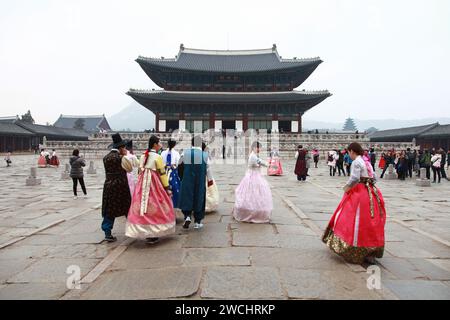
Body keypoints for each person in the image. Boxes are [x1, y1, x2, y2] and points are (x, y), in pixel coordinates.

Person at [322, 142, 386, 264]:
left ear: (352, 151)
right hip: (370, 192)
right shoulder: (366, 161)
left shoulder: (356, 162)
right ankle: (371, 249)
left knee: (350, 217)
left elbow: (354, 178)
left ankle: (352, 247)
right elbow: (374, 177)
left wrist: (346, 187)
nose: (349, 155)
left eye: (349, 152)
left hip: (359, 192)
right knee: (370, 220)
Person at [125, 135, 176, 244]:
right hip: (154, 184)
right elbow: (162, 174)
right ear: (155, 145)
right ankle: (154, 231)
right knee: (157, 205)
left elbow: (139, 171)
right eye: (159, 143)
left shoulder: (143, 156)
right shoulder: (157, 157)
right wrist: (167, 187)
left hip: (142, 184)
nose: (160, 145)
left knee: (143, 206)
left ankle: (144, 229)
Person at [101, 133, 132, 242]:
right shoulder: (121, 158)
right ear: (121, 147)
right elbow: (130, 169)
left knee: (109, 209)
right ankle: (133, 228)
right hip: (121, 185)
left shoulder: (106, 158)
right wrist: (125, 156)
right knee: (127, 207)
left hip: (109, 185)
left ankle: (107, 232)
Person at [178, 135, 214, 230]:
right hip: (200, 180)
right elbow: (208, 169)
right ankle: (198, 221)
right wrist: (210, 180)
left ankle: (187, 216)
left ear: (192, 143)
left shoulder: (185, 153)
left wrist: (182, 177)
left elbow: (180, 166)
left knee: (187, 197)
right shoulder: (204, 155)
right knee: (199, 198)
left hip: (187, 179)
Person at [233, 141, 273, 223]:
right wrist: (269, 163)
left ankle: (254, 210)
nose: (259, 149)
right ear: (254, 147)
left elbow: (260, 161)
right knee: (253, 194)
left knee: (255, 193)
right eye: (259, 147)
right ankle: (252, 211)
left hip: (255, 175)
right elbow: (261, 162)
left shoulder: (254, 155)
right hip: (253, 176)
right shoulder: (253, 156)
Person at [161, 139, 181, 208]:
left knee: (163, 187)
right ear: (174, 145)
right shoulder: (176, 153)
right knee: (175, 188)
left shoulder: (163, 152)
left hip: (164, 171)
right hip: (173, 172)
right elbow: (178, 163)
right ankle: (174, 204)